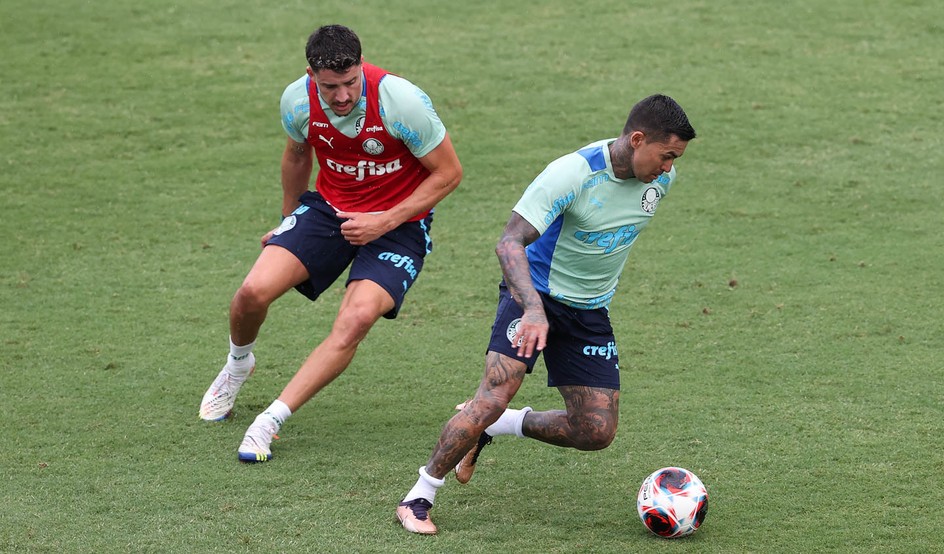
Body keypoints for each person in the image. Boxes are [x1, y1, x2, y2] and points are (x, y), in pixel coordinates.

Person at [395, 94, 696, 534]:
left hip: (589, 310)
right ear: (637, 139)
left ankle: (504, 426)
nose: (669, 167)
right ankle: (419, 495)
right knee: (494, 394)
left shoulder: (660, 181)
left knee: (595, 431)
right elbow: (509, 242)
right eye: (666, 155)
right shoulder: (572, 174)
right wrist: (533, 309)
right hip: (533, 296)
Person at [198, 24, 463, 463]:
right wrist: (286, 221)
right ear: (311, 75)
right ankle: (238, 363)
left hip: (400, 222)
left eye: (350, 83)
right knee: (251, 293)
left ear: (362, 66)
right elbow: (297, 155)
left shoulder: (402, 102)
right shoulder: (297, 100)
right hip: (329, 208)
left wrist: (384, 221)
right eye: (330, 87)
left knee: (356, 318)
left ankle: (270, 421)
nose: (341, 96)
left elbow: (449, 173)